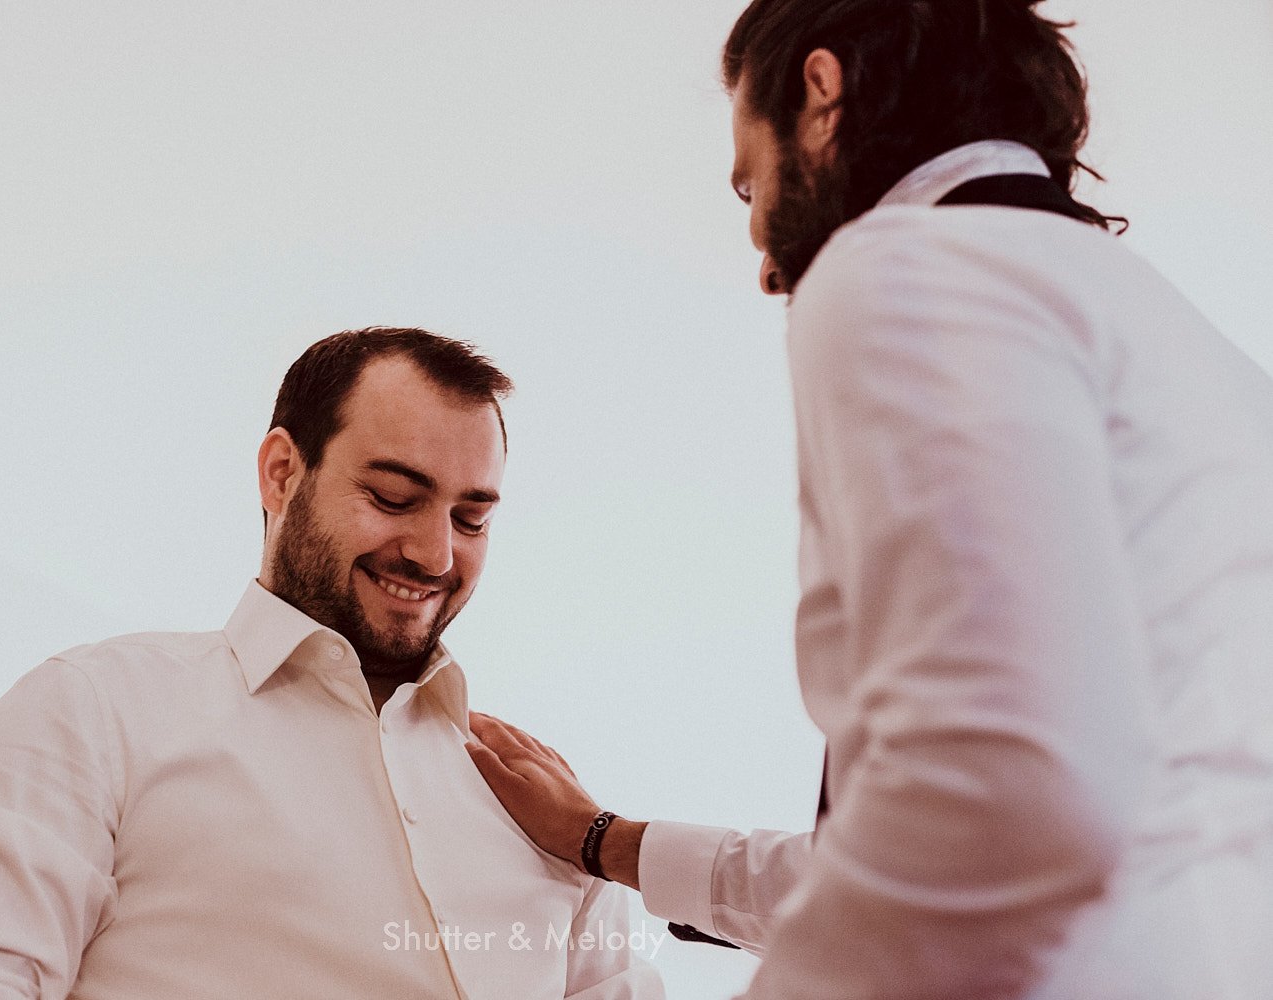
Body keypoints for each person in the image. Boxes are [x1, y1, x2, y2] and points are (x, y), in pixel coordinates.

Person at [465, 2, 1273, 998]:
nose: (765, 257)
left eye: (750, 184)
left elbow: (997, 796)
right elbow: (1025, 811)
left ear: (821, 93)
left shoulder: (906, 266)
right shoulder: (1202, 358)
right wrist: (608, 841)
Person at [0, 327, 664, 1000]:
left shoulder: (551, 810)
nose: (435, 553)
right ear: (282, 473)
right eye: (392, 498)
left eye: (471, 519)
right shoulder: (96, 710)